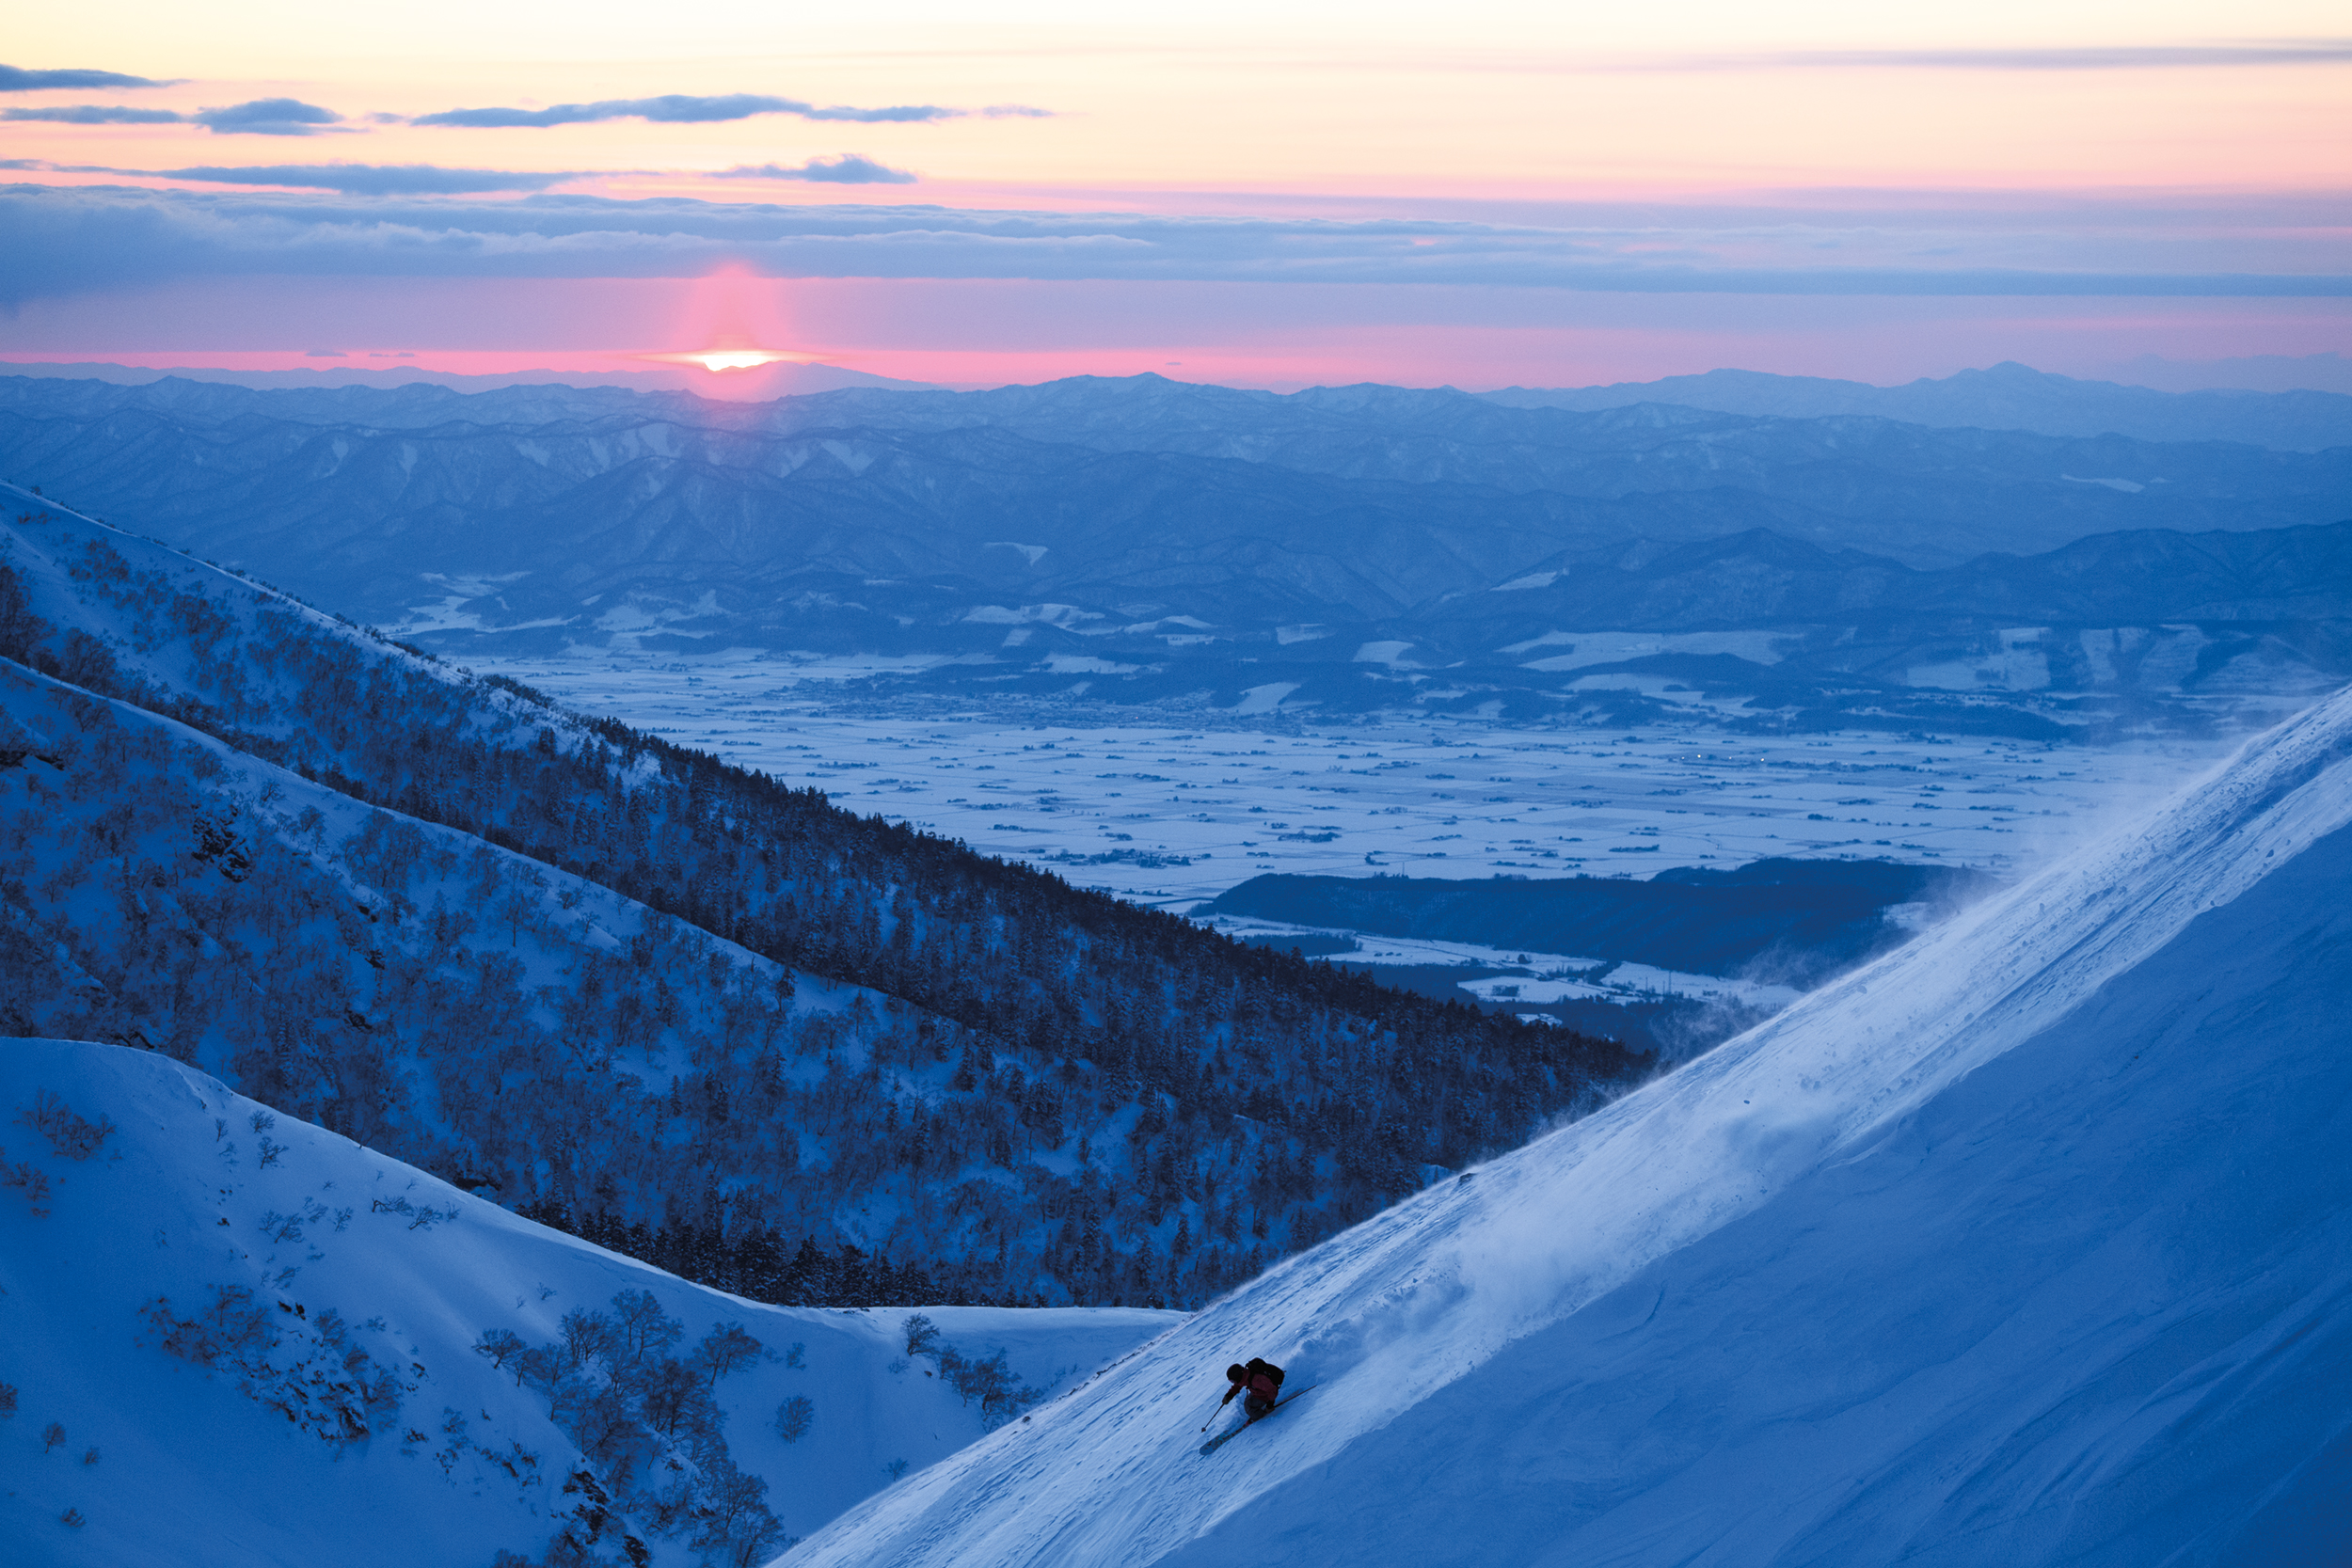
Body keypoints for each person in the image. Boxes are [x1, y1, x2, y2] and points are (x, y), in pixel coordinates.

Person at [1218, 1357, 1285, 1420]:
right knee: (1248, 1401)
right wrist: (1229, 1395)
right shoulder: (1245, 1375)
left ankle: (1260, 1415)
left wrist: (1270, 1405)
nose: (1233, 1382)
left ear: (1238, 1377)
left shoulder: (1256, 1380)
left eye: (1233, 1381)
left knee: (1248, 1406)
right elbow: (1237, 1386)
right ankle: (1258, 1411)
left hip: (1265, 1395)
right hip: (1258, 1392)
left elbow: (1272, 1389)